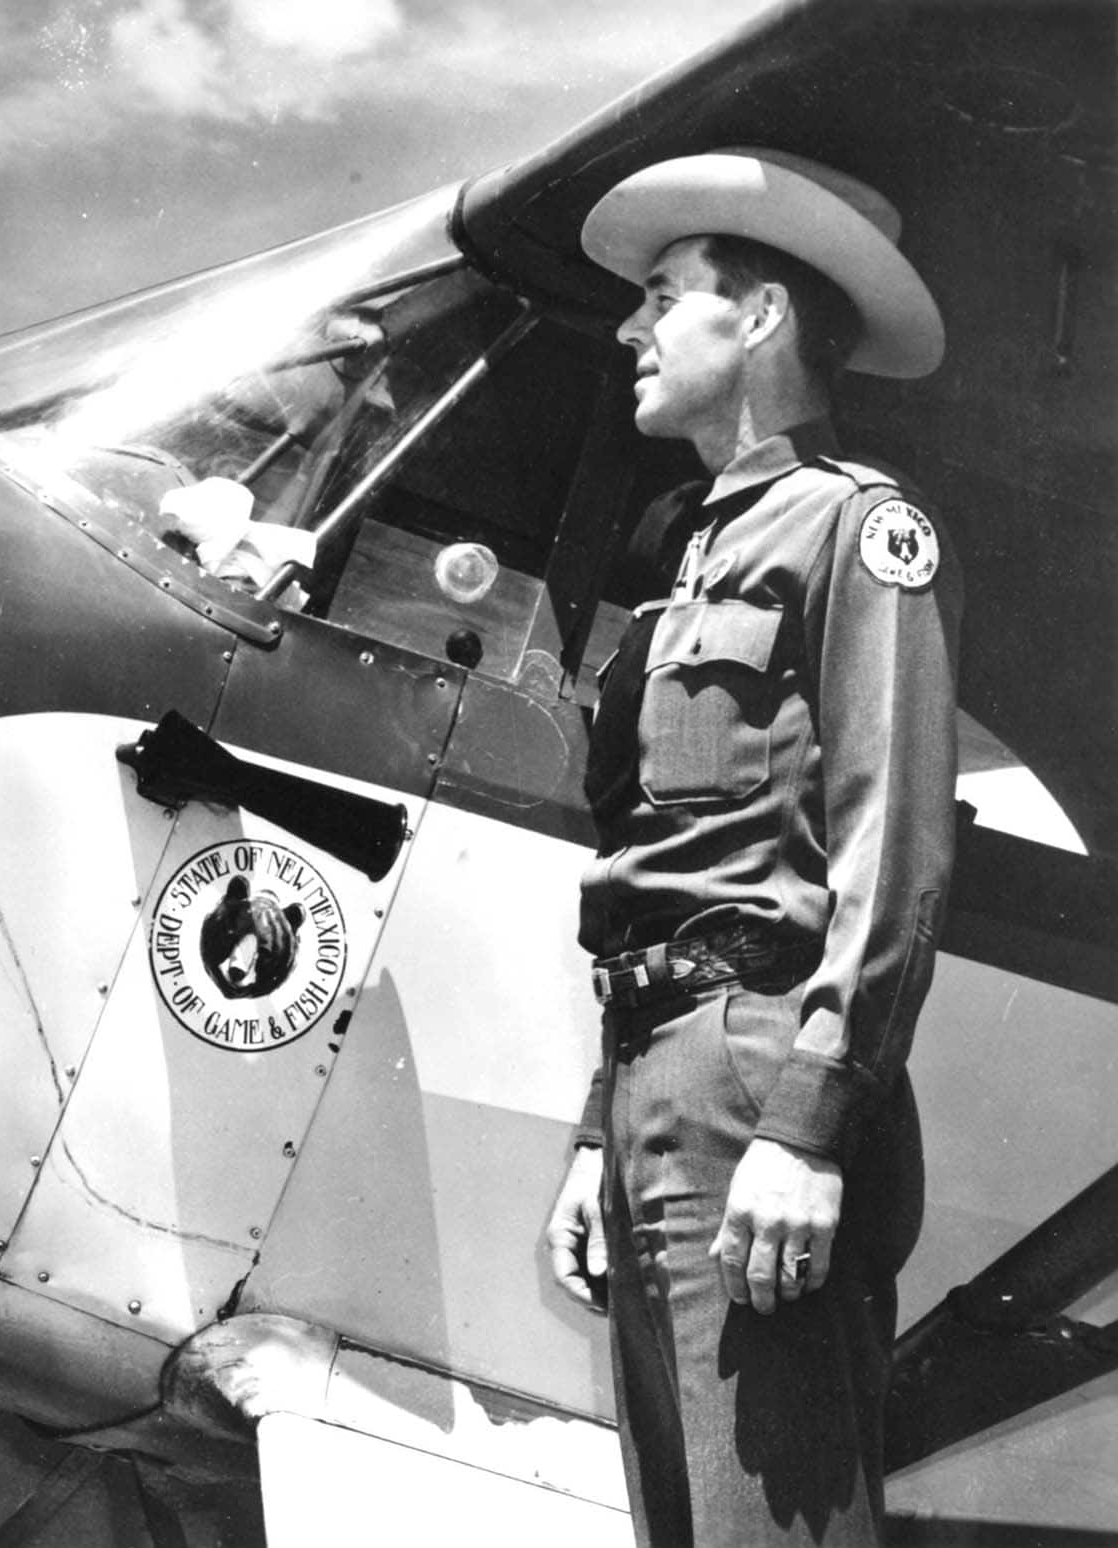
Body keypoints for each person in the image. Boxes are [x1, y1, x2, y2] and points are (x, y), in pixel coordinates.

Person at [543, 148, 961, 1544]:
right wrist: (599, 1130)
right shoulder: (693, 557)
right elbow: (661, 870)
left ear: (764, 318)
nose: (630, 327)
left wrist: (807, 1126)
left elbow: (889, 844)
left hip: (759, 1080)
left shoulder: (856, 528)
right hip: (661, 1078)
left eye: (667, 294)